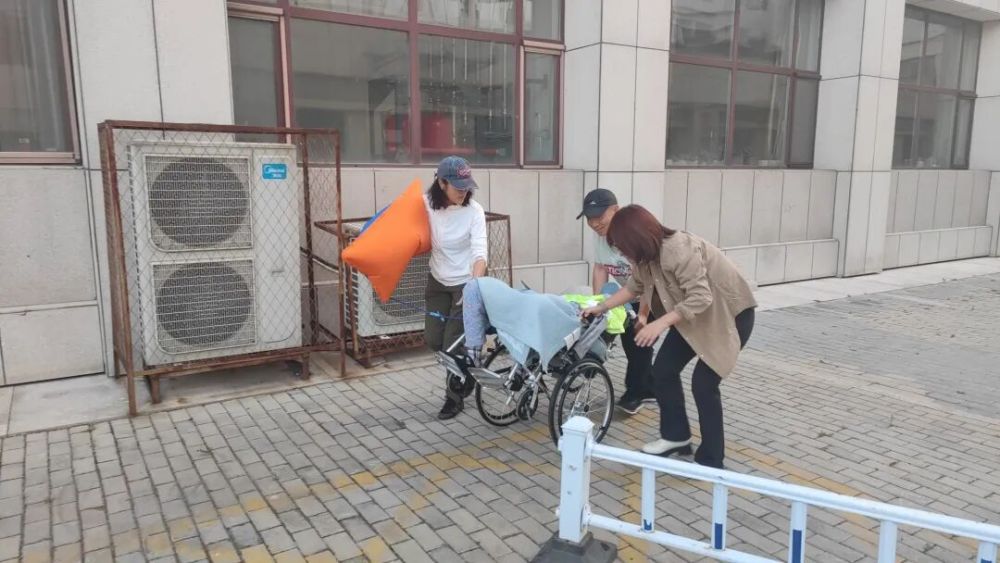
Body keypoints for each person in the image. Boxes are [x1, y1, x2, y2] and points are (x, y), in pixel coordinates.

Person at [583, 205, 756, 469]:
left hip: (728, 317)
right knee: (663, 370)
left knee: (704, 384)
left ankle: (711, 461)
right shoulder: (645, 258)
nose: (620, 253)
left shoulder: (678, 250)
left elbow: (701, 297)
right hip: (692, 316)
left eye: (621, 247)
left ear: (636, 239)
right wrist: (601, 307)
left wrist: (659, 324)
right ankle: (676, 437)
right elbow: (634, 287)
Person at [577, 189, 656, 414]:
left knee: (637, 340)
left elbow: (648, 280)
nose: (594, 223)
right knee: (628, 338)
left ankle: (636, 393)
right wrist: (598, 304)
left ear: (616, 210)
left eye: (599, 217)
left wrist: (643, 315)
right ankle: (650, 387)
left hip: (654, 294)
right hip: (627, 293)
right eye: (589, 218)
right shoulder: (600, 236)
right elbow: (600, 268)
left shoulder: (633, 235)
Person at [424, 156, 488, 420]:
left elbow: (480, 253)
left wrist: (472, 287)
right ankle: (469, 371)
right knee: (433, 340)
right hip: (437, 282)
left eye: (466, 186)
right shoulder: (426, 205)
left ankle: (454, 397)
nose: (463, 192)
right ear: (441, 183)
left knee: (452, 346)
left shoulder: (474, 211)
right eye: (457, 187)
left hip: (465, 283)